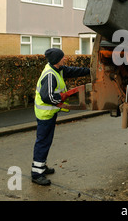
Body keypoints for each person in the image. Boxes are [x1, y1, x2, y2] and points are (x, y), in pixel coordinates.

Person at [31, 48, 90, 186]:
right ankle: (36, 174)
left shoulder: (58, 69)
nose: (65, 59)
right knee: (43, 142)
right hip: (45, 114)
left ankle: (41, 166)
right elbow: (48, 97)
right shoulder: (50, 75)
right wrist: (64, 97)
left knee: (46, 141)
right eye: (63, 57)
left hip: (49, 113)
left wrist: (91, 71)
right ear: (57, 60)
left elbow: (73, 71)